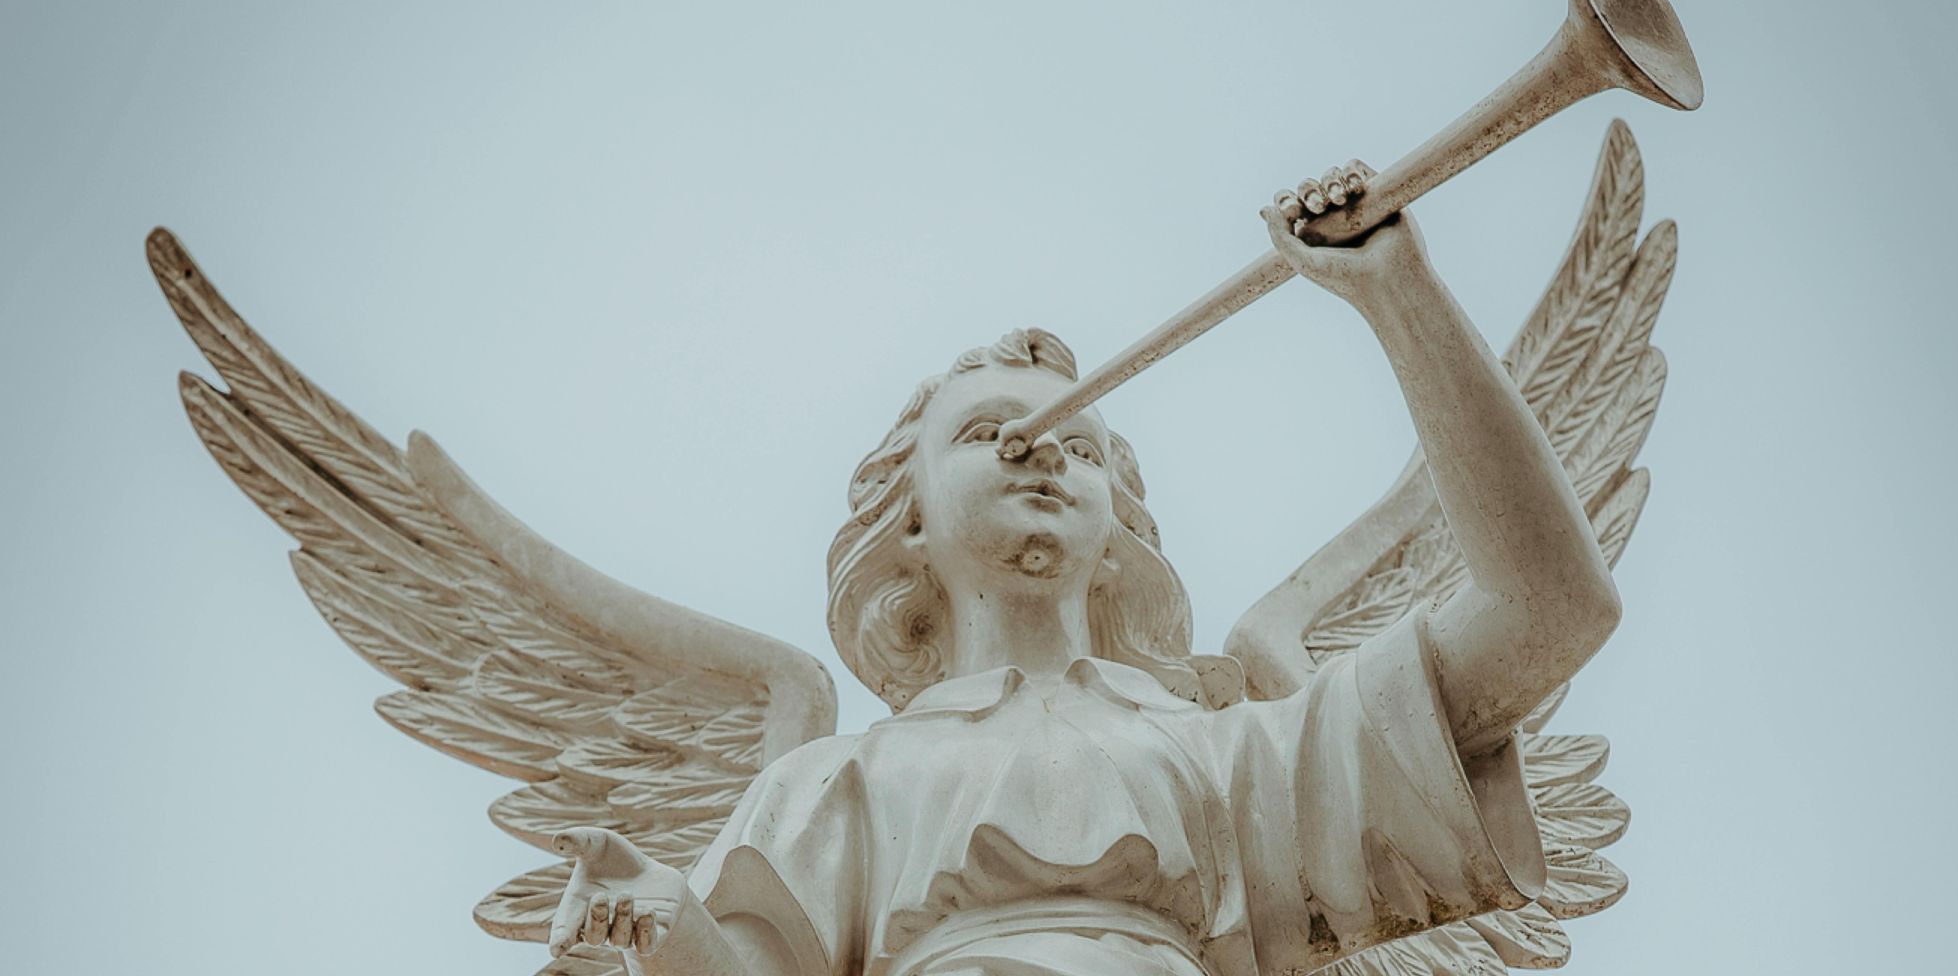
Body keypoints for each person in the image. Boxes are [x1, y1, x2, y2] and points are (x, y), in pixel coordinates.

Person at [546, 165, 1624, 976]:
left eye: (1082, 443)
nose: (1044, 445)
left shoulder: (1224, 756)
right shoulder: (829, 784)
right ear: (910, 529)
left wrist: (1398, 291)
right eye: (984, 433)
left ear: (1114, 539)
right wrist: (650, 919)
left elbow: (1548, 612)